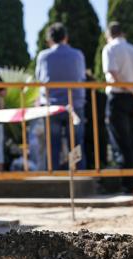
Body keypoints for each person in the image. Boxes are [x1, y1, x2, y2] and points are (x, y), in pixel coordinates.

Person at [102, 21, 133, 191]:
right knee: (131, 141)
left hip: (118, 97)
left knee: (120, 142)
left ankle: (129, 184)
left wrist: (132, 92)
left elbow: (113, 76)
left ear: (108, 35)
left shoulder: (110, 49)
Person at [35, 22, 86, 170]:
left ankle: (53, 176)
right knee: (76, 143)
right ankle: (79, 175)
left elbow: (39, 79)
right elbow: (81, 77)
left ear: (49, 39)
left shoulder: (43, 56)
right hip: (74, 104)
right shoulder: (77, 55)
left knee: (52, 144)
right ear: (66, 37)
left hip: (51, 106)